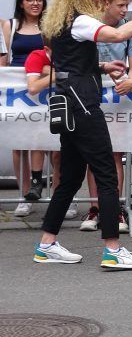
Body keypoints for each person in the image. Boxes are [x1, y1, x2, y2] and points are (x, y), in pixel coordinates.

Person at [35, 0, 132, 269]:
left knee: (69, 180)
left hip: (68, 104)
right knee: (107, 175)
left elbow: (70, 63)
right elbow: (119, 34)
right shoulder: (82, 20)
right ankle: (113, 250)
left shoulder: (60, 20)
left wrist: (102, 68)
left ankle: (46, 244)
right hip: (83, 106)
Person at [80, 0, 132, 233]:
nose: (124, 10)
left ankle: (114, 209)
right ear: (106, 3)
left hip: (118, 98)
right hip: (92, 94)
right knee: (92, 156)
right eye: (120, 5)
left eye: (127, 5)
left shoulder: (131, 29)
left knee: (115, 153)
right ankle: (95, 208)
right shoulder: (90, 25)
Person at [3, 0, 47, 217]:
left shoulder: (50, 26)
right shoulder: (9, 25)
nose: (35, 3)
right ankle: (24, 196)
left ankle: (59, 197)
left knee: (44, 142)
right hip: (17, 91)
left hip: (42, 89)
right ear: (21, 2)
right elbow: (3, 61)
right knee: (19, 144)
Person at [22, 43, 70, 218]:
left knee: (59, 155)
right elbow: (33, 87)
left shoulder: (71, 52)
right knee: (38, 141)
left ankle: (61, 201)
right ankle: (36, 183)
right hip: (40, 109)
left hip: (66, 107)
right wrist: (56, 74)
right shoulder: (37, 55)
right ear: (47, 49)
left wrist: (48, 72)